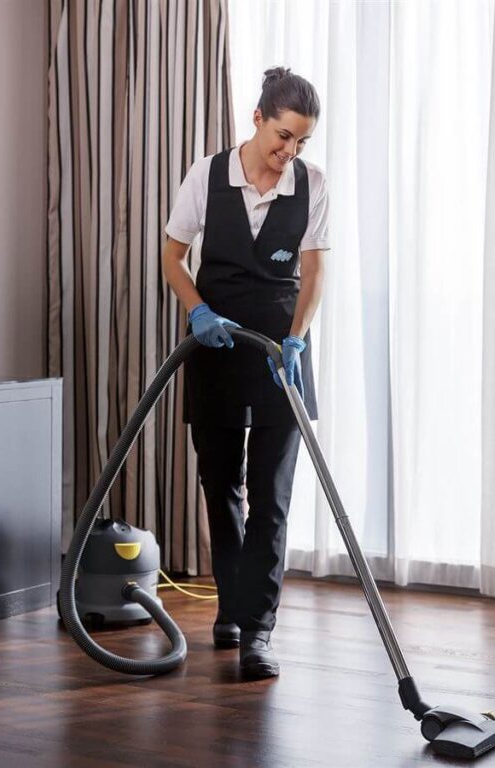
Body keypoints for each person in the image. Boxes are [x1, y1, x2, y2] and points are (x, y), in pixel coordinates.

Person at [161, 66, 329, 679]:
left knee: (272, 493)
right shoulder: (206, 176)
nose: (290, 152)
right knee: (222, 483)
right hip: (216, 342)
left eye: (302, 142)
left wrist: (297, 339)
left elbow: (313, 274)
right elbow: (172, 256)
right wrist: (197, 309)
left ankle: (258, 629)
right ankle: (230, 611)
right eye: (284, 136)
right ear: (257, 120)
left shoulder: (312, 185)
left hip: (282, 348)